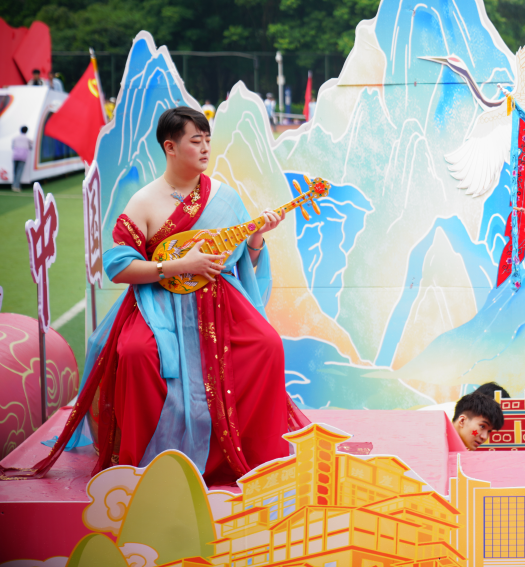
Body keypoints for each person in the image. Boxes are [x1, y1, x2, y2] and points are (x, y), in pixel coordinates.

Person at [2, 107, 308, 483]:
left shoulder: (224, 198)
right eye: (196, 141)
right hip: (158, 303)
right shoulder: (145, 202)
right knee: (135, 352)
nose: (205, 148)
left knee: (267, 345)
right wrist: (177, 266)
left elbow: (241, 258)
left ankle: (253, 455)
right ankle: (146, 463)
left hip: (219, 300)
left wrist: (257, 238)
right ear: (171, 147)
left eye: (207, 140)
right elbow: (119, 267)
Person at [10, 126, 32, 192]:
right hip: (22, 156)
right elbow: (30, 147)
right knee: (19, 171)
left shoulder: (15, 138)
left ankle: (14, 185)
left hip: (15, 155)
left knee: (15, 171)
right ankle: (16, 186)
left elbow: (13, 146)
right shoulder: (28, 139)